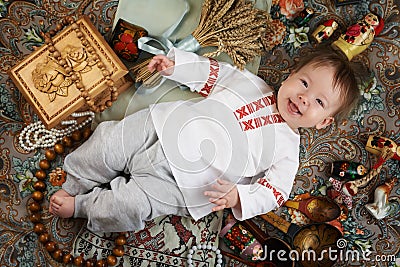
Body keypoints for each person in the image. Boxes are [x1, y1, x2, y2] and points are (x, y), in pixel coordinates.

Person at [49, 47, 363, 232]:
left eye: (319, 102)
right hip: (161, 127)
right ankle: (76, 178)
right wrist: (177, 66)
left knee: (130, 206)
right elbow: (213, 73)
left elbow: (275, 192)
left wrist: (240, 196)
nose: (304, 98)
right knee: (108, 141)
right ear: (291, 75)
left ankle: (83, 206)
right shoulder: (250, 84)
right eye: (304, 83)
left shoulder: (287, 151)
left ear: (324, 123)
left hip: (185, 183)